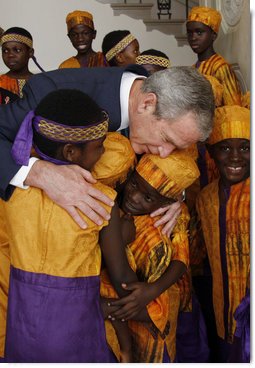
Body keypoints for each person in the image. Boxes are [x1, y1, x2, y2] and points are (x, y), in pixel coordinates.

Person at [0, 89, 141, 363]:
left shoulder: (12, 193)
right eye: (99, 145)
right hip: (74, 333)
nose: (104, 150)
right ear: (71, 152)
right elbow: (122, 277)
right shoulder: (99, 200)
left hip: (22, 328)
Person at [0, 64, 214, 236]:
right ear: (147, 103)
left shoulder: (161, 111)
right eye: (167, 139)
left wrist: (172, 195)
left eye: (177, 147)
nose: (166, 153)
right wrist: (39, 173)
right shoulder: (51, 90)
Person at [99, 147, 200, 362]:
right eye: (134, 184)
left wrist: (154, 288)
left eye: (147, 197)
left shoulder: (163, 229)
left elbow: (182, 260)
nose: (134, 197)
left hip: (153, 332)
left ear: (167, 203)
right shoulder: (118, 211)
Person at [195, 105, 250, 362]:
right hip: (222, 307)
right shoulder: (206, 198)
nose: (236, 157)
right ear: (211, 152)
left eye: (245, 147)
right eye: (225, 147)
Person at [186, 6, 242, 106]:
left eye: (199, 32)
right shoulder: (193, 68)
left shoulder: (221, 68)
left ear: (213, 35)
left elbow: (233, 108)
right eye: (189, 33)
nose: (193, 38)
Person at [0, 27, 44, 97]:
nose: (10, 55)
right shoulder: (1, 83)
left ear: (30, 53)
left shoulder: (42, 83)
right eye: (5, 51)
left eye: (17, 50)